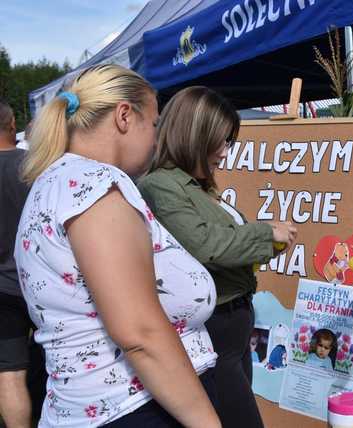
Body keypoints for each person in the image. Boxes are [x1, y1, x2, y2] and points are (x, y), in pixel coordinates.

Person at [15, 65, 221, 427]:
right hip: (132, 409)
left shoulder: (54, 183)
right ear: (125, 116)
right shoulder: (95, 185)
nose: (156, 140)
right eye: (154, 123)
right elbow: (140, 332)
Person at [137, 86, 297, 428]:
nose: (226, 152)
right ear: (193, 136)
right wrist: (266, 234)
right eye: (221, 142)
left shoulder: (197, 186)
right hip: (215, 329)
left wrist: (268, 244)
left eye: (230, 142)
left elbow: (224, 244)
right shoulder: (161, 186)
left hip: (234, 323)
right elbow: (205, 245)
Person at [0, 99, 32, 428]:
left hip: (3, 292)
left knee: (9, 374)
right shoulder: (34, 165)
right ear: (13, 126)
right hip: (41, 282)